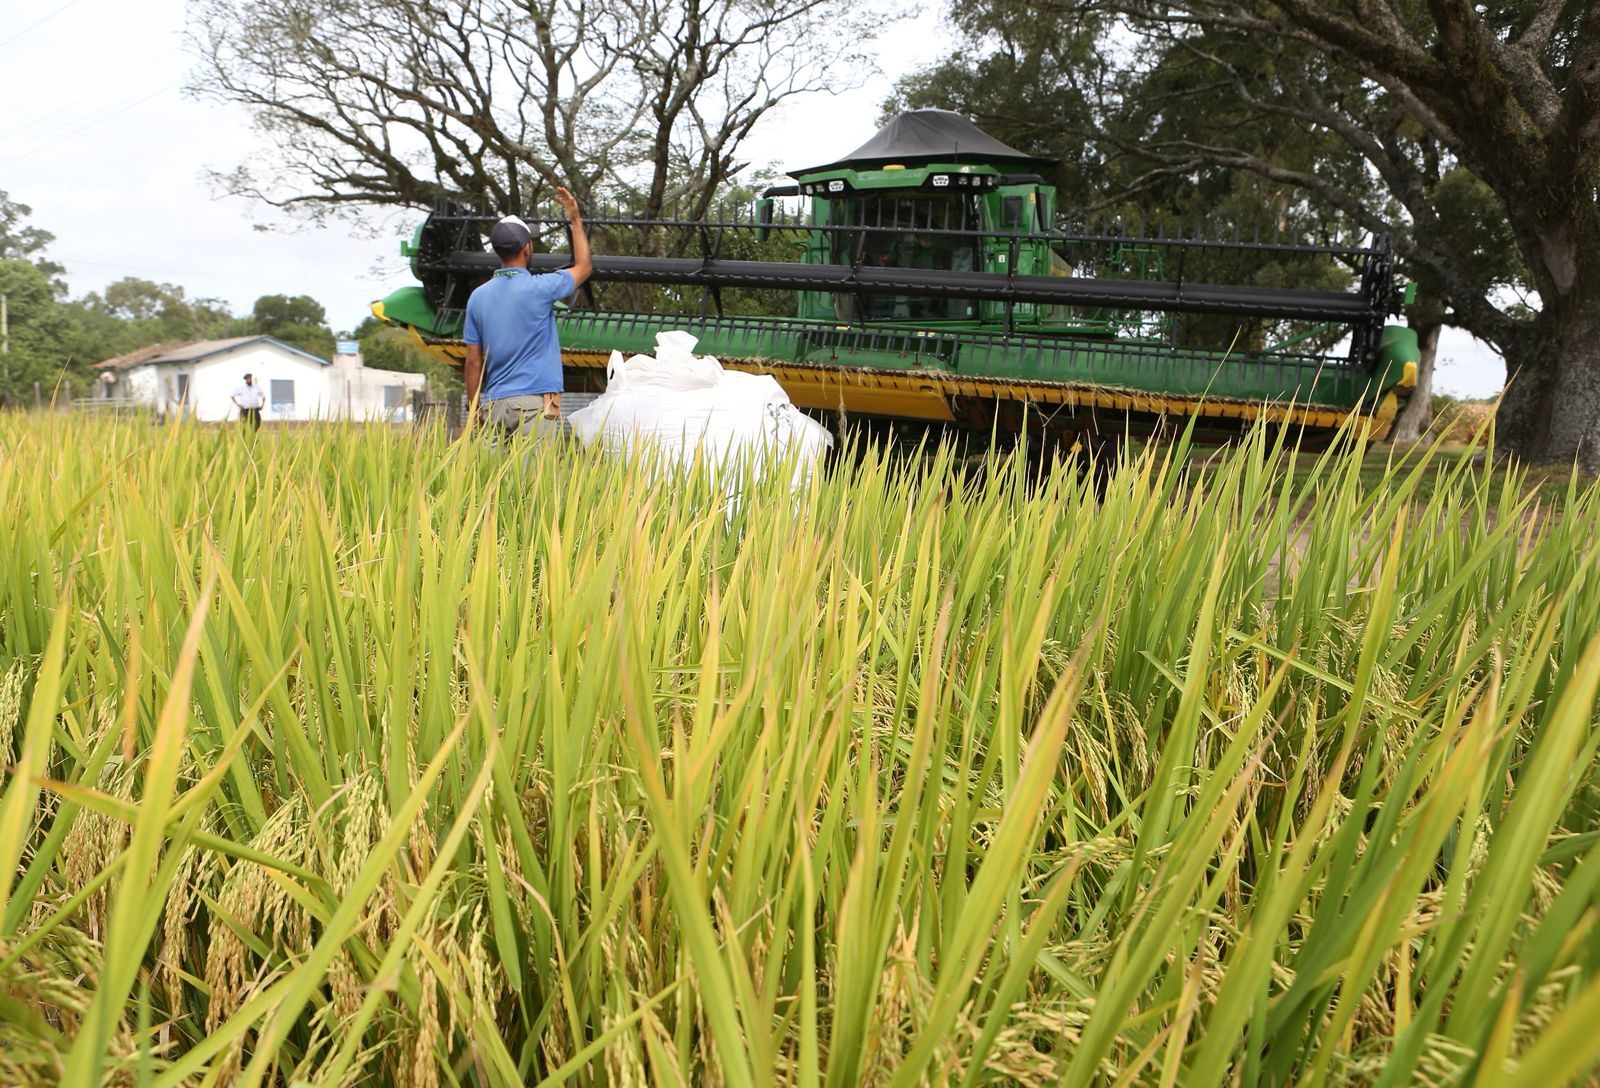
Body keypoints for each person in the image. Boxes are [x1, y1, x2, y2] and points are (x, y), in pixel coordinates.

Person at [463, 187, 593, 441]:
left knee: (493, 480)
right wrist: (575, 220)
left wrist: (474, 407)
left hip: (493, 406)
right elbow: (584, 266)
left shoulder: (477, 297)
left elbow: (473, 361)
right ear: (526, 248)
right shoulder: (541, 288)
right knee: (531, 481)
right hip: (533, 407)